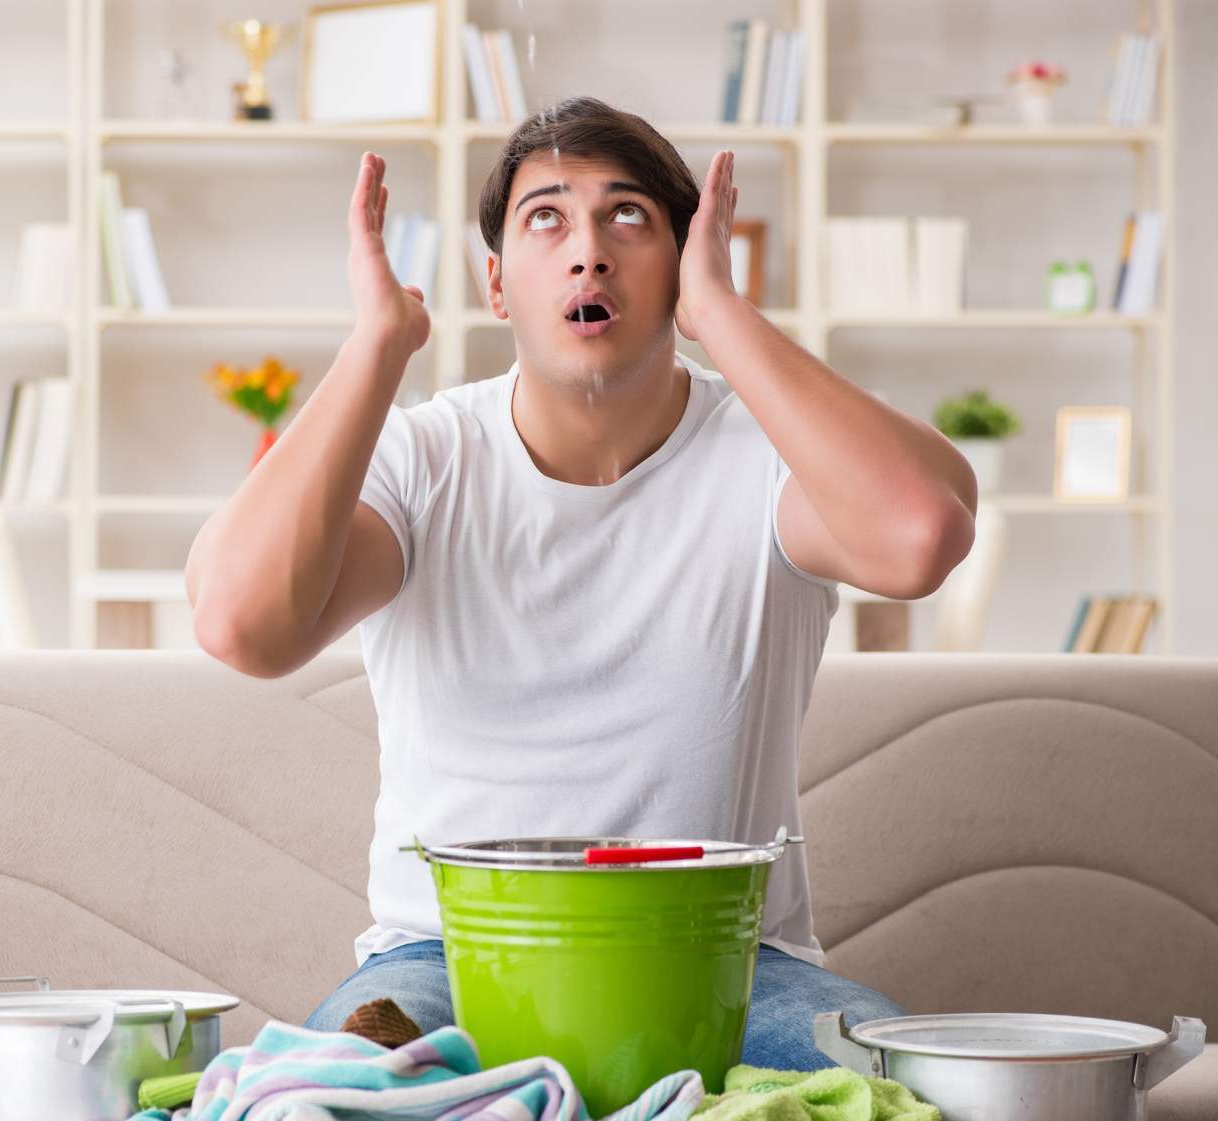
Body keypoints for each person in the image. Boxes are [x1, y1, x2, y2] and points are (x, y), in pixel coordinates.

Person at [184, 96, 977, 1070]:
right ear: (498, 284)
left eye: (629, 216)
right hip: (450, 959)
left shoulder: (774, 456)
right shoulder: (423, 458)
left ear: (682, 262)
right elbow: (239, 622)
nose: (588, 251)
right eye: (547, 217)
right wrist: (375, 345)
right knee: (339, 1084)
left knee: (909, 1085)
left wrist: (722, 314)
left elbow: (922, 534)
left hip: (733, 967)